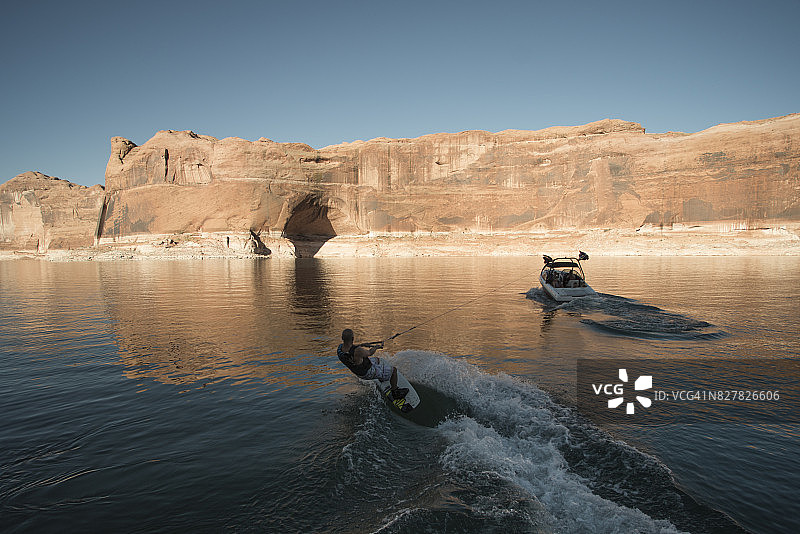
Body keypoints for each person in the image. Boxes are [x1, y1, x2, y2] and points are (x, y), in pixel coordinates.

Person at [337, 329, 408, 400]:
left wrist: (363, 345)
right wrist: (376, 347)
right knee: (394, 371)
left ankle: (381, 376)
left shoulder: (340, 349)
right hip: (367, 372)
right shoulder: (358, 350)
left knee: (377, 360)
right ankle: (395, 392)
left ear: (342, 338)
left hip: (357, 371)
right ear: (353, 338)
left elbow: (351, 349)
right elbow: (369, 353)